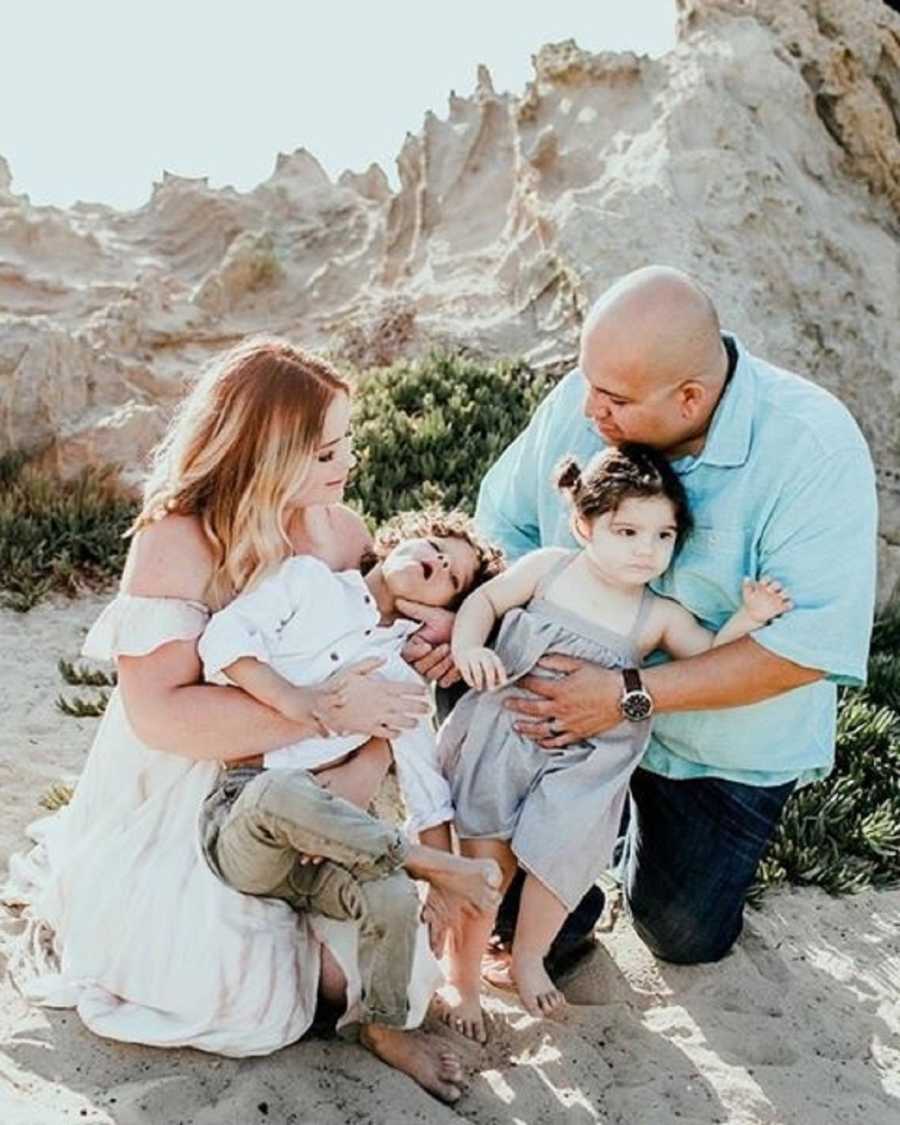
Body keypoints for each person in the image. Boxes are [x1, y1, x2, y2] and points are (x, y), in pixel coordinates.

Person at [2, 339, 496, 1103]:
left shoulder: (338, 527)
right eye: (326, 448)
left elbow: (367, 634)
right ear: (264, 450)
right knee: (243, 1001)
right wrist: (321, 712)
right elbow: (162, 715)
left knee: (378, 977)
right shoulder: (178, 537)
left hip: (325, 772)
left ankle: (385, 908)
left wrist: (419, 663)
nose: (350, 461)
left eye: (349, 440)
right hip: (198, 776)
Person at [471, 265, 878, 973]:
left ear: (690, 397)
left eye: (616, 399)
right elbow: (499, 526)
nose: (589, 408)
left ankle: (619, 828)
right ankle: (559, 894)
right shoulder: (583, 398)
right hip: (551, 703)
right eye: (587, 381)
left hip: (713, 742)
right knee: (461, 661)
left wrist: (623, 696)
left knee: (681, 933)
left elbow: (804, 648)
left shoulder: (812, 446)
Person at [437, 444, 791, 1041]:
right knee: (484, 862)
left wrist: (748, 620)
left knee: (560, 853)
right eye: (626, 530)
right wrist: (468, 646)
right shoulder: (548, 569)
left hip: (579, 760)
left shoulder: (656, 614)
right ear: (584, 524)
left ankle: (529, 957)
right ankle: (464, 978)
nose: (644, 550)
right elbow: (485, 600)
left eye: (662, 536)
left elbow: (707, 658)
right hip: (504, 734)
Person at [196, 510, 504, 957]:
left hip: (325, 842)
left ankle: (386, 1021)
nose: (437, 564)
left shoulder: (400, 675)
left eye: (451, 578)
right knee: (283, 791)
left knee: (396, 921)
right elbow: (223, 638)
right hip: (249, 799)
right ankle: (428, 864)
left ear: (441, 611)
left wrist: (441, 892)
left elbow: (426, 787)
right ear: (403, 538)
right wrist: (296, 701)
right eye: (435, 549)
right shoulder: (309, 582)